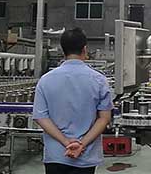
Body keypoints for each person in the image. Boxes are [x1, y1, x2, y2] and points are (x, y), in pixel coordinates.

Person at [33, 28, 113, 174]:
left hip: (57, 155)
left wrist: (65, 142)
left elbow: (41, 117)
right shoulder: (99, 80)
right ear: (84, 49)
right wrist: (81, 144)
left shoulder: (45, 80)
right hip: (85, 155)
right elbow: (104, 118)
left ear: (63, 50)